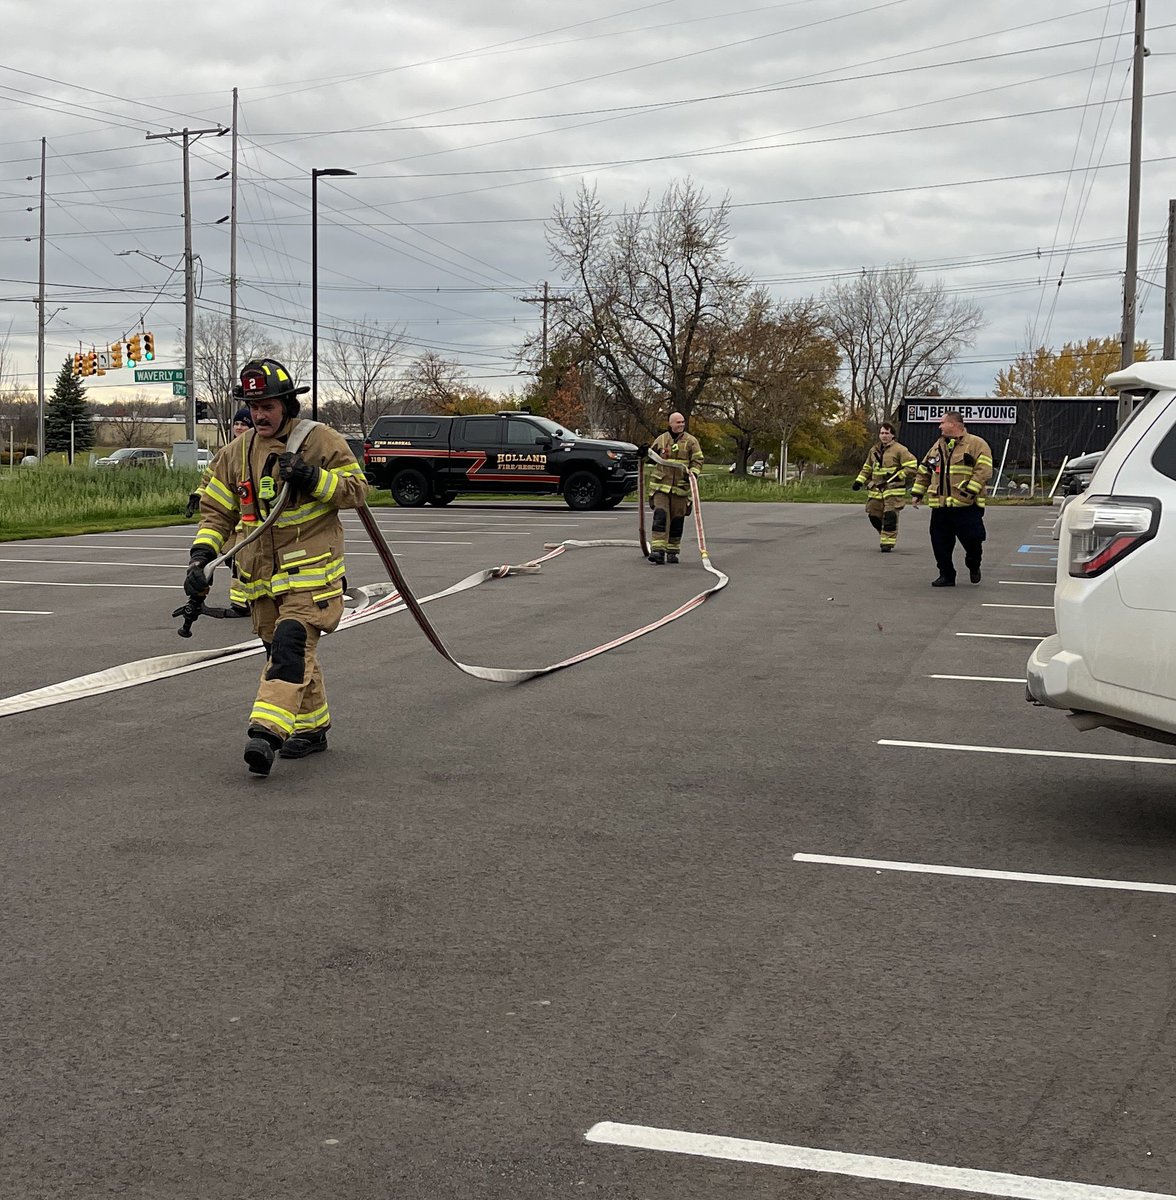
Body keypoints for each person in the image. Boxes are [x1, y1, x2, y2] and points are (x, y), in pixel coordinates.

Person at [184, 359, 368, 776]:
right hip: (260, 581)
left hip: (310, 579)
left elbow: (357, 491)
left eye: (267, 404)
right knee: (286, 653)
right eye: (252, 405)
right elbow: (216, 515)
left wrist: (311, 477)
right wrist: (201, 559)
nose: (259, 414)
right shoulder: (235, 454)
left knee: (289, 646)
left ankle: (266, 734)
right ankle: (313, 727)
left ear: (287, 404)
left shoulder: (320, 441)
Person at [911, 409, 993, 587]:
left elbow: (984, 471)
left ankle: (973, 564)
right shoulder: (937, 446)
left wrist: (969, 492)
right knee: (939, 542)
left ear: (954, 425)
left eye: (943, 422)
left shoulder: (976, 444)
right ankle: (946, 574)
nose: (940, 426)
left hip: (967, 506)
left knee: (973, 540)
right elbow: (925, 469)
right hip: (941, 506)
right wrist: (917, 493)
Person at [647, 411, 704, 564]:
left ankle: (672, 550)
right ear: (670, 424)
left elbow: (698, 460)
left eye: (682, 422)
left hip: (680, 488)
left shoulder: (691, 441)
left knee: (677, 519)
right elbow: (651, 457)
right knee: (661, 515)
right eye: (678, 422)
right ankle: (658, 551)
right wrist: (644, 454)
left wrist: (693, 474)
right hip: (661, 487)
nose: (681, 425)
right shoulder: (662, 439)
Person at [851, 421, 917, 551]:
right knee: (873, 515)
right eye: (882, 433)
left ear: (893, 435)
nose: (884, 436)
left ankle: (887, 543)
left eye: (887, 433)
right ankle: (884, 533)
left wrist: (899, 475)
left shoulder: (900, 450)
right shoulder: (874, 450)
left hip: (893, 490)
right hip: (876, 489)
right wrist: (859, 481)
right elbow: (867, 468)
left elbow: (912, 465)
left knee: (890, 516)